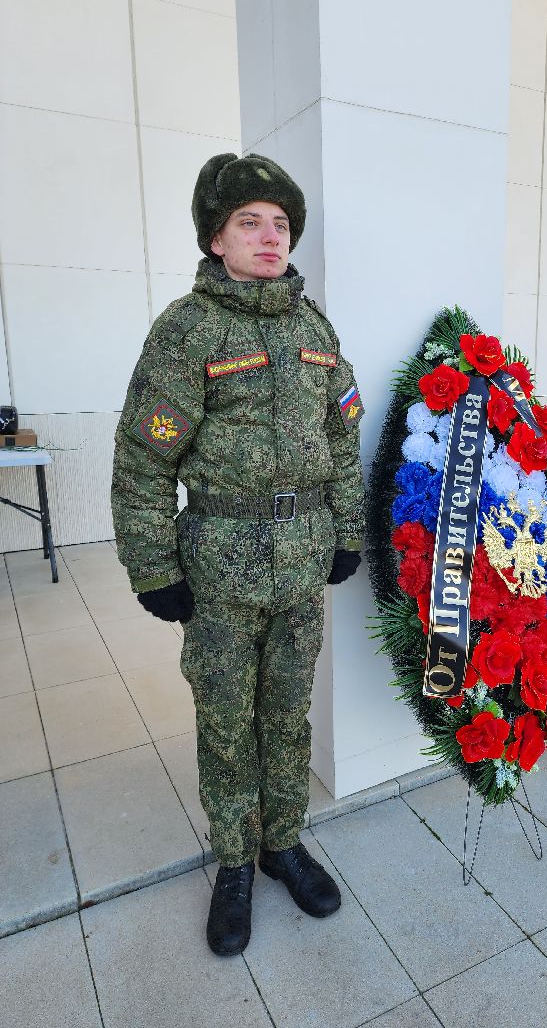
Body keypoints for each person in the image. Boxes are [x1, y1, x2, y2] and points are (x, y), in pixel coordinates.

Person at [111, 153, 365, 954]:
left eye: (281, 223)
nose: (270, 236)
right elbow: (143, 460)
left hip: (301, 561)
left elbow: (343, 440)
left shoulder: (314, 327)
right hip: (219, 565)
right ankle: (234, 863)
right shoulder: (187, 332)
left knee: (287, 714)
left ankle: (283, 841)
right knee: (226, 721)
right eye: (249, 222)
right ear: (215, 238)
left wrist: (347, 534)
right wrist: (153, 567)